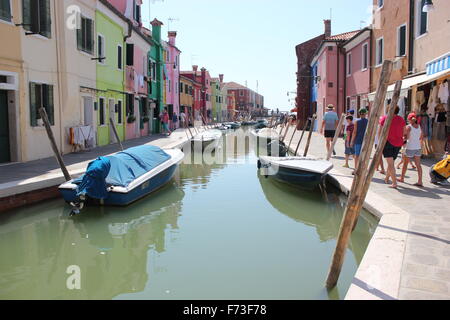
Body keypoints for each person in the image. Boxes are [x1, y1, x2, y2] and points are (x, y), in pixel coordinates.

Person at [379, 106, 406, 189]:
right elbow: (404, 132)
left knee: (390, 164)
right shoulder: (401, 119)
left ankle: (394, 183)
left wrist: (380, 143)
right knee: (391, 163)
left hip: (388, 142)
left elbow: (380, 132)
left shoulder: (385, 118)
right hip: (398, 143)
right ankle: (387, 178)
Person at [398, 113, 423, 186]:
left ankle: (402, 178)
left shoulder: (408, 127)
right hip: (417, 147)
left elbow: (406, 137)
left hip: (410, 147)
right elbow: (421, 136)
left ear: (409, 119)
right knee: (418, 165)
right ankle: (420, 181)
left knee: (405, 164)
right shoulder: (419, 126)